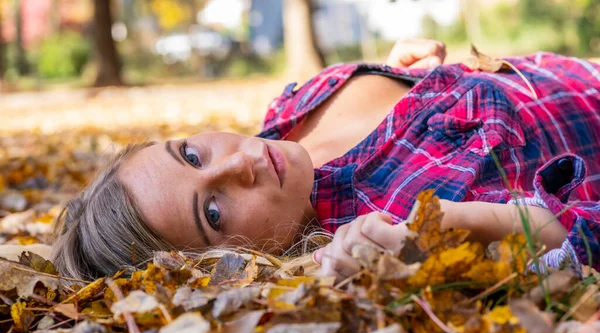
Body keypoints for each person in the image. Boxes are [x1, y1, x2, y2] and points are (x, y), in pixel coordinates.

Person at [51, 39, 600, 282]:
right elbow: (584, 230)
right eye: (213, 213)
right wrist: (472, 225)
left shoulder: (290, 109)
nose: (235, 165)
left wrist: (400, 76)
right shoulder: (395, 219)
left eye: (191, 154)